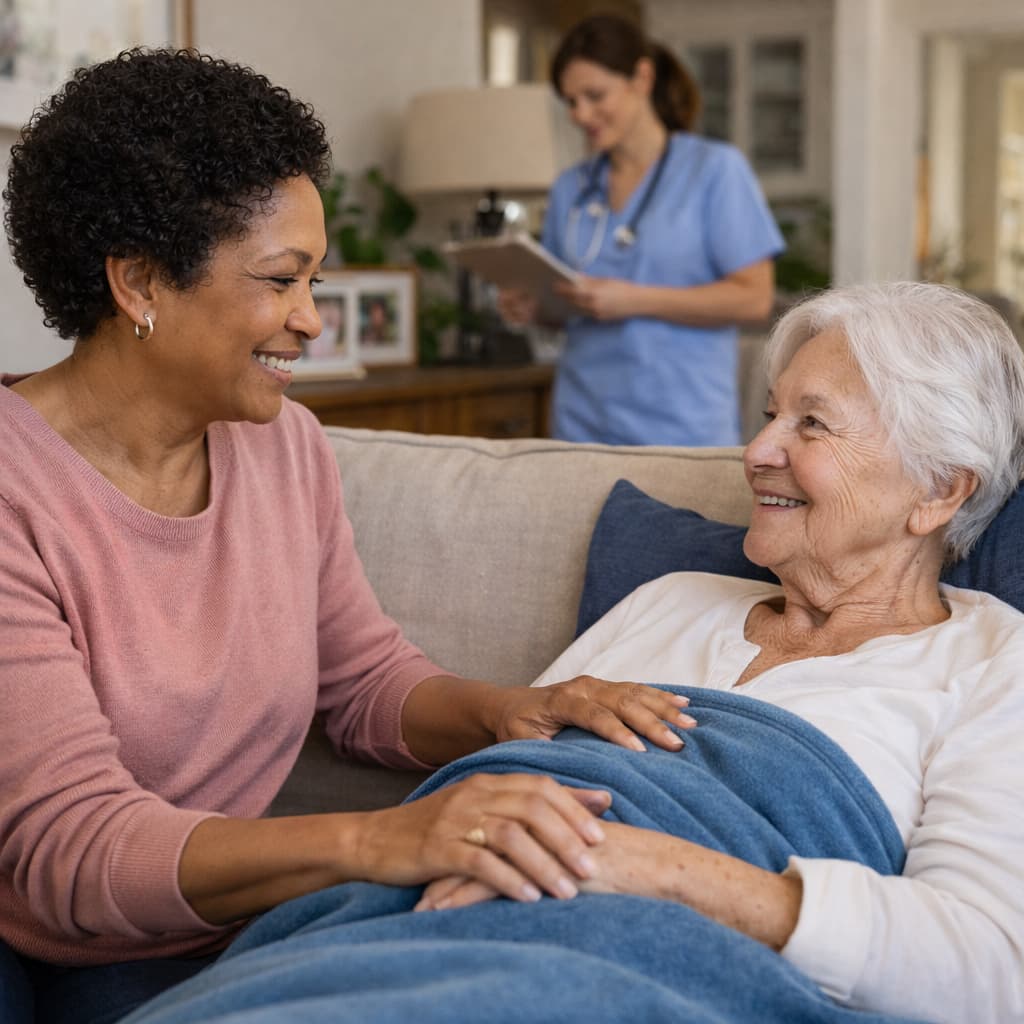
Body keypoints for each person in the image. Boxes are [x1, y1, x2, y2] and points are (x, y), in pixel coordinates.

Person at [0, 49, 694, 1024]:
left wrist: (514, 711)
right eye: (282, 282)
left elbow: (364, 683)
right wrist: (383, 840)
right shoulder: (16, 494)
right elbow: (72, 853)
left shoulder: (283, 449)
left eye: (312, 280)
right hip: (47, 948)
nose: (312, 322)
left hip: (222, 925)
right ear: (140, 283)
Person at [130, 282, 1024, 1024]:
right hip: (413, 922)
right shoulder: (668, 602)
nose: (756, 452)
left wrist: (645, 866)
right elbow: (496, 793)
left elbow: (986, 968)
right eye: (767, 415)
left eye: (812, 426)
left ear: (939, 490)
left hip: (637, 965)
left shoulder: (992, 661)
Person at [498, 14, 785, 448]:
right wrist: (532, 308)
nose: (581, 114)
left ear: (642, 78)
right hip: (582, 421)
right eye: (571, 102)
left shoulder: (714, 170)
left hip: (682, 426)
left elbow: (754, 298)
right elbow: (564, 303)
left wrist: (633, 299)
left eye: (595, 96)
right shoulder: (571, 187)